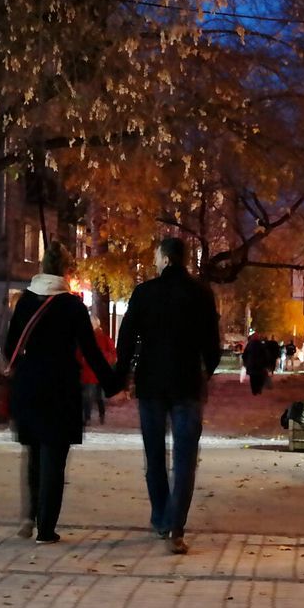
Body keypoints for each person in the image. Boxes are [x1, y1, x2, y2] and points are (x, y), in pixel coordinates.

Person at [4, 242, 120, 545]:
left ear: (42, 267)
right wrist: (114, 386)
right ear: (67, 271)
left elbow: (8, 348)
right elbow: (92, 352)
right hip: (61, 387)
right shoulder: (72, 306)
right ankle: (46, 529)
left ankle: (29, 515)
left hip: (28, 385)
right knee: (54, 456)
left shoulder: (25, 301)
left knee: (32, 452)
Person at [116, 237, 222, 555]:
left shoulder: (145, 292)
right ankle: (176, 525)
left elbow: (125, 341)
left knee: (155, 455)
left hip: (151, 385)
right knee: (185, 458)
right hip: (187, 384)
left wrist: (121, 377)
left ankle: (161, 518)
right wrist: (205, 371)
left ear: (164, 259)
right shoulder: (201, 293)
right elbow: (212, 345)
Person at [78, 315, 116, 426]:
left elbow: (113, 355)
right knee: (92, 396)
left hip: (92, 372)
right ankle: (92, 417)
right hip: (92, 371)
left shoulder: (101, 338)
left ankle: (92, 417)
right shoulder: (97, 337)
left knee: (93, 396)